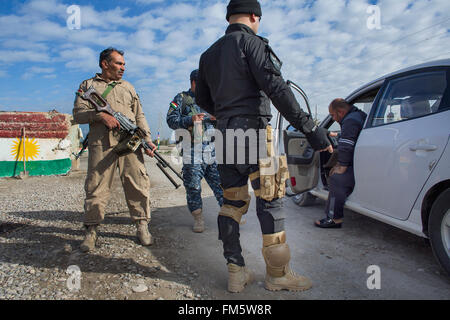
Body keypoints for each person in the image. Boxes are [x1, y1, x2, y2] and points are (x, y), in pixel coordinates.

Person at [195, 0, 332, 293]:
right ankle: (278, 275)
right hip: (255, 132)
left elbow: (204, 101)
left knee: (232, 203)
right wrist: (312, 130)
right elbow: (278, 89)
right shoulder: (253, 44)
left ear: (230, 17)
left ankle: (236, 272)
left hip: (224, 134)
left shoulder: (208, 55)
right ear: (255, 16)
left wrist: (226, 115)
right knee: (270, 199)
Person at [73, 47, 157, 253]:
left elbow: (139, 115)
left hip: (130, 144)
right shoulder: (88, 85)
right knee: (96, 187)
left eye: (124, 64)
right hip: (102, 145)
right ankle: (91, 231)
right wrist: (101, 116)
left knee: (138, 184)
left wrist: (147, 139)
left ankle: (142, 226)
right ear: (104, 64)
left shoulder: (128, 87)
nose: (123, 68)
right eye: (119, 63)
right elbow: (78, 114)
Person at [166, 70, 223, 233]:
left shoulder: (212, 99)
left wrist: (216, 118)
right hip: (192, 151)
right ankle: (198, 219)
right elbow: (171, 120)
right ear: (193, 83)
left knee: (221, 184)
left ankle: (229, 215)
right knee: (193, 187)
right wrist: (190, 119)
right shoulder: (181, 99)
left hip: (212, 150)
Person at [315, 98, 367, 228]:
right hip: (362, 161)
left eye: (333, 115)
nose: (333, 119)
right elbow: (350, 137)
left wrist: (342, 166)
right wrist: (338, 136)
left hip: (356, 164)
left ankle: (334, 218)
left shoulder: (350, 120)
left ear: (341, 112)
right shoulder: (358, 116)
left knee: (336, 178)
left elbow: (346, 146)